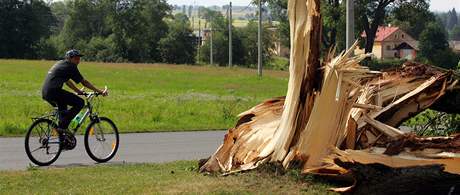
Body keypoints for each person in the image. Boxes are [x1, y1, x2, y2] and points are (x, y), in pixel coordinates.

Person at [41, 49, 108, 131]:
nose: (78, 61)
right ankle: (62, 127)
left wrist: (78, 91)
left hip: (46, 93)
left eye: (79, 58)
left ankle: (63, 135)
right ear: (69, 58)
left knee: (63, 109)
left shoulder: (61, 63)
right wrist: (100, 91)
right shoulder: (71, 66)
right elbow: (84, 82)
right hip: (55, 92)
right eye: (76, 58)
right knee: (80, 102)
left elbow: (67, 81)